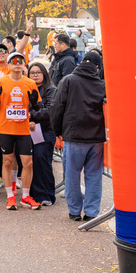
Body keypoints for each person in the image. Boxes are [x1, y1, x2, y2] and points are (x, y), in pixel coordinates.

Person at [51, 51, 106, 221]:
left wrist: (57, 130)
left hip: (73, 135)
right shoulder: (102, 85)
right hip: (96, 137)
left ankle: (74, 211)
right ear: (97, 67)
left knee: (72, 175)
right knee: (94, 176)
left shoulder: (68, 80)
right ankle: (91, 212)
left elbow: (57, 107)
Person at [0, 52, 43, 210]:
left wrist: (34, 104)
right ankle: (10, 196)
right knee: (7, 161)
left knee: (28, 163)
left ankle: (25, 196)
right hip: (6, 128)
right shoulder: (1, 82)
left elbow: (38, 108)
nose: (17, 63)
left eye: (20, 61)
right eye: (13, 61)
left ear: (24, 64)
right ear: (8, 65)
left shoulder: (30, 83)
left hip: (23, 129)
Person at [27, 62, 58, 206]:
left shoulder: (51, 90)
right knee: (30, 162)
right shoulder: (26, 88)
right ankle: (33, 194)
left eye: (38, 72)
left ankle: (46, 195)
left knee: (42, 161)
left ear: (44, 74)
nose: (35, 75)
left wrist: (31, 115)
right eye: (32, 73)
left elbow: (50, 111)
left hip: (45, 131)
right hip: (28, 130)